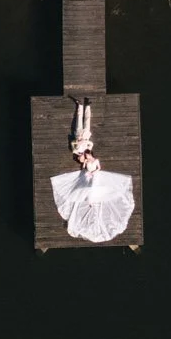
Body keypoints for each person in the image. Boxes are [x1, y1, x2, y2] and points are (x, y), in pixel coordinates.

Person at [52, 97, 134, 242]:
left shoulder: (92, 158)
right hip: (90, 171)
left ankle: (84, 105)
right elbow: (85, 164)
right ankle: (84, 105)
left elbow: (97, 167)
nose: (88, 155)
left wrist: (90, 170)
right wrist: (86, 168)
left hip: (91, 173)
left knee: (90, 188)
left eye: (88, 155)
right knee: (82, 122)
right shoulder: (88, 155)